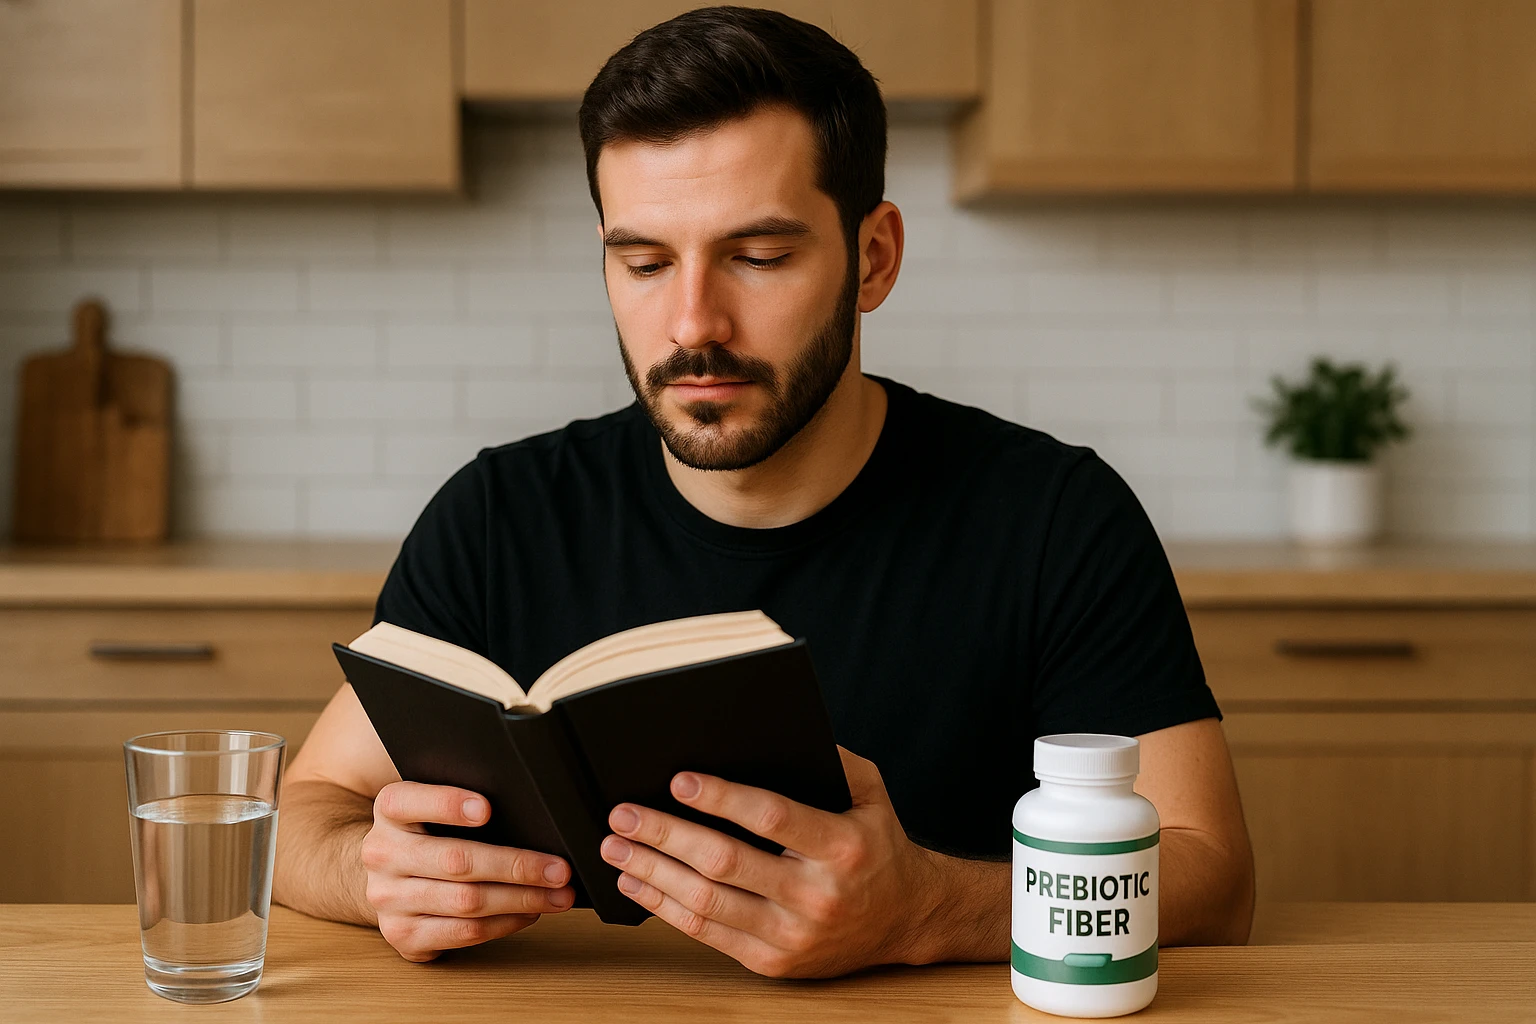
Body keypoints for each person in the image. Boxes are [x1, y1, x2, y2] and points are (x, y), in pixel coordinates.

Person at [273, 6, 1254, 978]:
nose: (693, 323)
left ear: (874, 259)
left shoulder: (1056, 517)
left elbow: (1212, 872)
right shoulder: (500, 515)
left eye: (759, 258)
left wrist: (928, 910)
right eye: (645, 263)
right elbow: (307, 808)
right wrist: (377, 875)